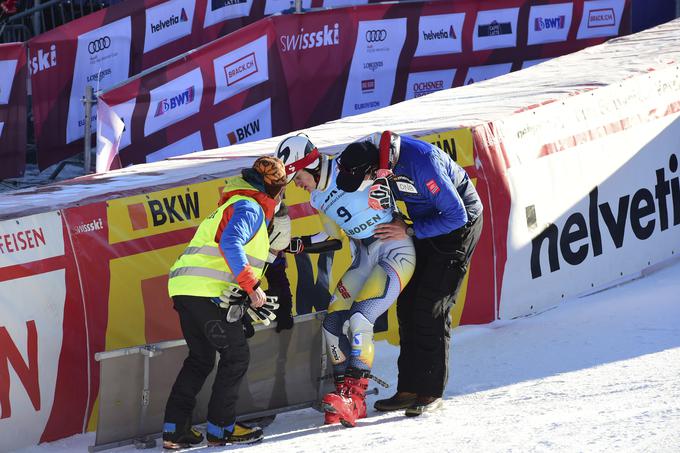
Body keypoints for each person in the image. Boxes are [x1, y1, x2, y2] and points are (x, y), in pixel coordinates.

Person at [335, 132, 483, 417]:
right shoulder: (372, 154)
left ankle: (430, 391)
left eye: (364, 180)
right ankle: (409, 388)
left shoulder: (422, 162)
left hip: (457, 227)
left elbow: (457, 215)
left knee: (431, 307)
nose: (365, 186)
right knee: (407, 304)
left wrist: (410, 230)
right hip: (423, 223)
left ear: (372, 169)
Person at [275, 135, 415, 427]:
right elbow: (332, 237)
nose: (298, 185)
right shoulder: (316, 197)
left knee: (361, 320)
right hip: (364, 257)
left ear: (310, 166)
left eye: (297, 177)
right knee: (332, 323)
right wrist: (295, 244)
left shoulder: (349, 164)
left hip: (395, 250)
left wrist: (407, 223)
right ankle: (343, 394)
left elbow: (386, 142)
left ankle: (356, 398)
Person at [162, 156, 287, 449]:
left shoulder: (233, 204)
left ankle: (174, 430)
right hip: (204, 293)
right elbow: (230, 243)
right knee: (236, 356)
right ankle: (222, 429)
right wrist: (252, 286)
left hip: (186, 290)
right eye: (281, 190)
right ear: (271, 189)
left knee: (201, 358)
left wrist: (244, 289)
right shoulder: (249, 206)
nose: (282, 197)